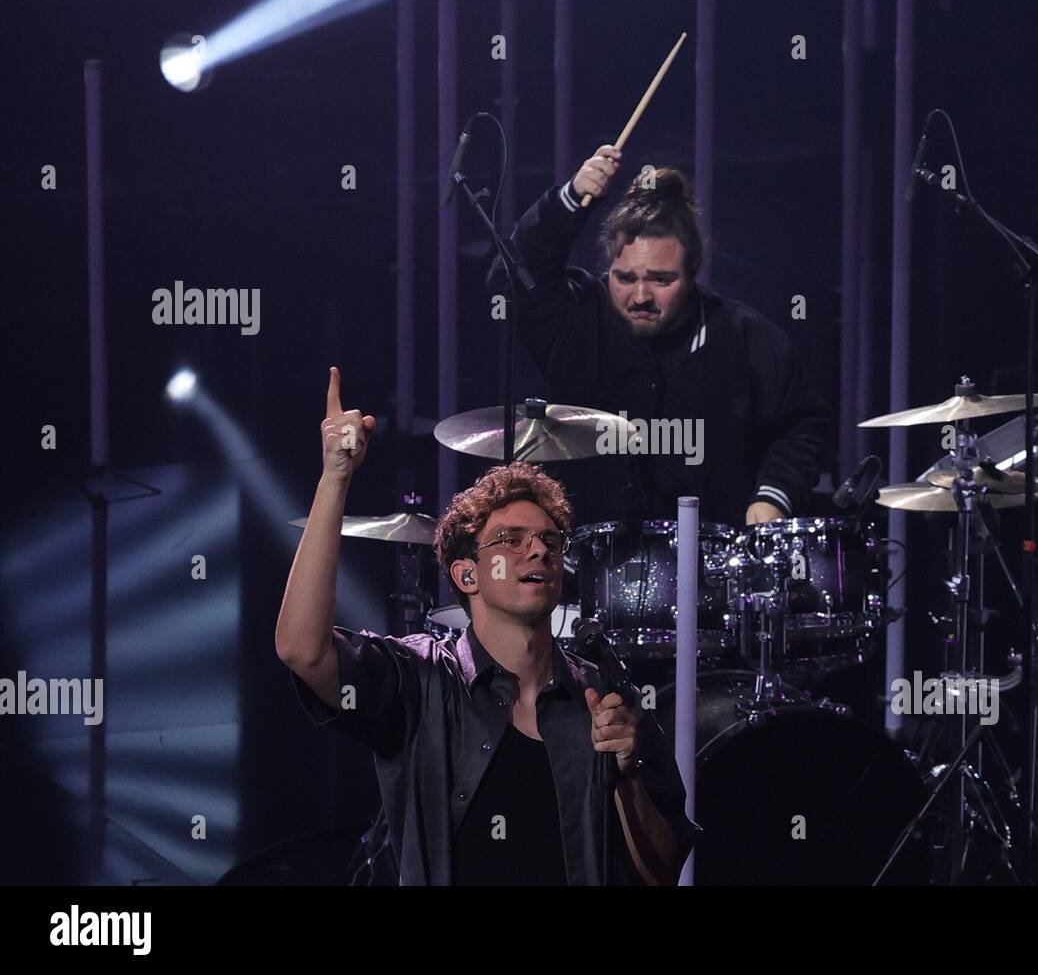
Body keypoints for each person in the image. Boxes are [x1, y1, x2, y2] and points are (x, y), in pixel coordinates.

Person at [275, 366, 696, 885]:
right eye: (511, 540)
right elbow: (302, 649)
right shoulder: (420, 680)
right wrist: (335, 478)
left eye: (549, 540)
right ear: (467, 574)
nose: (539, 548)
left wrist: (628, 770)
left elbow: (663, 872)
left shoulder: (605, 693)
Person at [489, 146, 831, 526]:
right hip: (584, 566)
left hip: (715, 569)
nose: (640, 297)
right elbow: (511, 279)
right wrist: (566, 202)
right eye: (625, 278)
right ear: (608, 266)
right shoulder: (577, 317)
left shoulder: (748, 339)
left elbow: (801, 430)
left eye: (661, 280)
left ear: (694, 270)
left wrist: (772, 498)